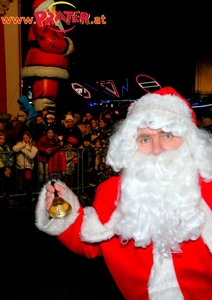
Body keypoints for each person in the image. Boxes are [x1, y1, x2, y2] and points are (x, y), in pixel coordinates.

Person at [35, 86, 212, 300]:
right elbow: (89, 240)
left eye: (167, 135)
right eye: (145, 139)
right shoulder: (112, 192)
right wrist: (61, 210)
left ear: (189, 141)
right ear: (130, 146)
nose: (157, 149)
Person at [12, 131, 38, 203]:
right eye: (23, 138)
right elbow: (14, 148)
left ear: (30, 138)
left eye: (27, 138)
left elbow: (31, 155)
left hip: (28, 166)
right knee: (20, 182)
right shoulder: (19, 144)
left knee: (27, 178)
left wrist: (23, 149)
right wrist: (22, 146)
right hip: (19, 166)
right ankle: (20, 198)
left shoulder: (33, 147)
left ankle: (29, 196)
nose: (25, 139)